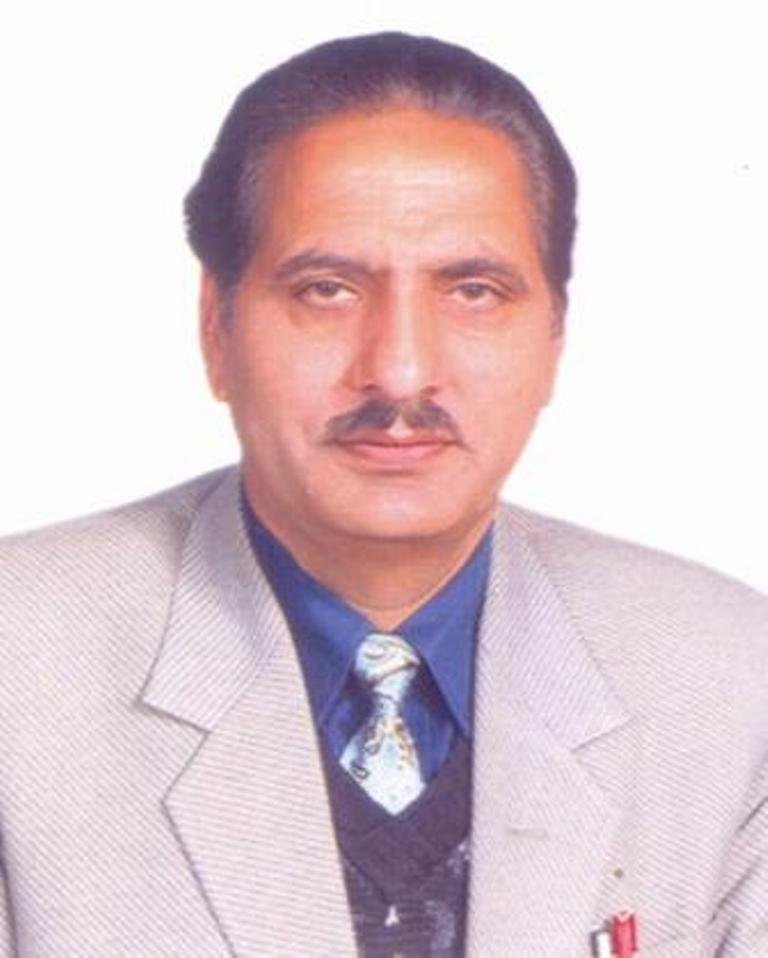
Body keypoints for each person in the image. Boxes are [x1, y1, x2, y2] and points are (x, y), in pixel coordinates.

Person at [0, 31, 766, 958]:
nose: (399, 372)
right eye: (327, 290)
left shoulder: (729, 680)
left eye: (473, 291)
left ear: (554, 339)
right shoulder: (20, 668)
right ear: (216, 328)